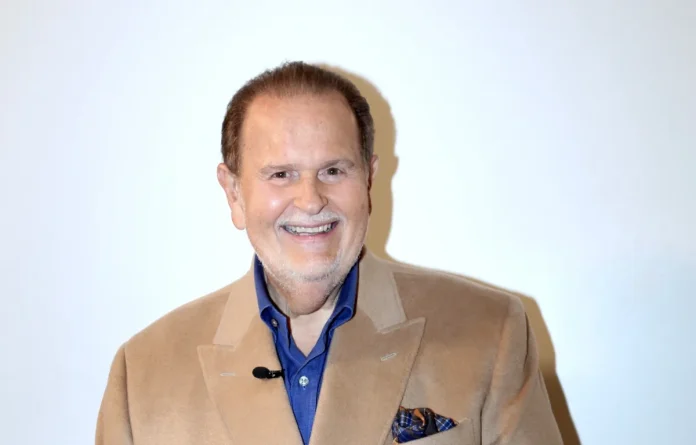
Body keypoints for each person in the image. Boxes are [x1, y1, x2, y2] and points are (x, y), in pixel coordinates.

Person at [96, 61, 563, 445]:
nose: (310, 199)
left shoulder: (491, 334)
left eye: (333, 171)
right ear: (234, 193)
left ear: (369, 180)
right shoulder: (142, 375)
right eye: (281, 174)